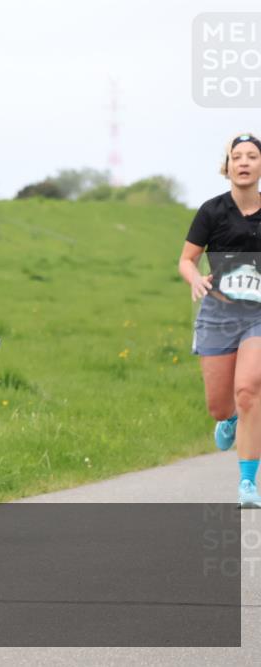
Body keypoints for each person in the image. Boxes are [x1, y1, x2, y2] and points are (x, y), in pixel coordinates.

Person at [179, 132, 261, 509]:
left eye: (252, 156)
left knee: (248, 392)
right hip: (218, 314)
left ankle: (247, 483)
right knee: (221, 406)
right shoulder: (212, 211)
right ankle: (226, 421)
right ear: (226, 166)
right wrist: (195, 278)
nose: (244, 162)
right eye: (237, 156)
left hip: (257, 316)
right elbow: (187, 259)